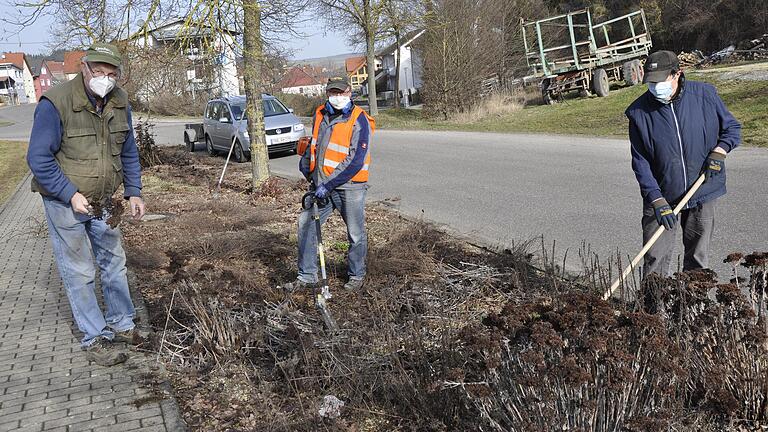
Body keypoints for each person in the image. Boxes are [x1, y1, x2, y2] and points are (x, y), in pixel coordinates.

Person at [26, 42, 145, 366]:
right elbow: (38, 157)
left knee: (114, 263)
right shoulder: (57, 103)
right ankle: (95, 337)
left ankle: (122, 324)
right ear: (85, 67)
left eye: (111, 73)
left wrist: (134, 191)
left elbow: (129, 151)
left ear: (118, 75)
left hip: (105, 201)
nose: (104, 78)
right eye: (99, 71)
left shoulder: (120, 102)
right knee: (80, 270)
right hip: (66, 204)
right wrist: (69, 193)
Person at [625, 50, 741, 277]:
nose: (655, 87)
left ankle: (691, 309)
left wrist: (720, 151)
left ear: (677, 73)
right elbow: (641, 163)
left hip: (701, 190)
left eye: (660, 80)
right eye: (650, 82)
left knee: (697, 259)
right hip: (661, 195)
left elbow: (732, 129)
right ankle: (653, 310)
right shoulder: (639, 113)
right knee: (654, 259)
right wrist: (656, 200)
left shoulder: (705, 96)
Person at [283, 76, 375, 291]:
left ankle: (356, 276)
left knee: (355, 233)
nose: (337, 97)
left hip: (349, 187)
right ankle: (307, 276)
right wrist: (306, 165)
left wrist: (329, 184)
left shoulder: (359, 119)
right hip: (320, 187)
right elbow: (314, 143)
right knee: (306, 225)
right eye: (333, 93)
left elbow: (355, 160)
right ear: (327, 94)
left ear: (349, 93)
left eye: (341, 93)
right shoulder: (320, 114)